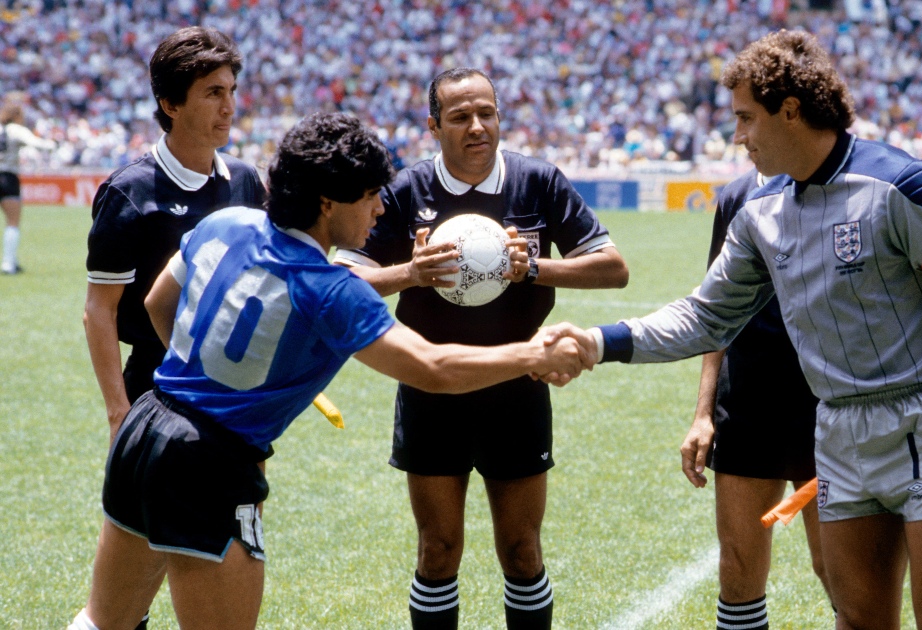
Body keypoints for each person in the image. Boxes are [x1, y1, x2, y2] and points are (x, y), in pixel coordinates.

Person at [556, 30, 922, 629]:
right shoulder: (761, 212)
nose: (738, 137)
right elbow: (706, 315)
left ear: (791, 111)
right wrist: (598, 342)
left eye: (745, 118)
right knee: (859, 621)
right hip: (837, 430)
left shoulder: (905, 186)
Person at [66, 111, 594, 630]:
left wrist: (202, 379)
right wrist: (533, 355)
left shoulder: (227, 223)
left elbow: (159, 302)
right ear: (327, 203)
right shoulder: (329, 289)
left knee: (101, 621)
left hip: (146, 426)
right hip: (209, 463)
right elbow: (433, 368)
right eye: (370, 196)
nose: (380, 209)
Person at [333, 67, 628, 629]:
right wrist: (410, 273)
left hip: (518, 382)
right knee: (437, 550)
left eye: (486, 113)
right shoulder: (406, 190)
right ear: (433, 126)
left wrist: (533, 267)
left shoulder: (537, 181)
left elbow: (613, 268)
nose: (476, 126)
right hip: (430, 386)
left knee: (522, 551)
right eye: (460, 116)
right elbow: (342, 280)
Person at [84, 26, 264, 447]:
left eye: (232, 91)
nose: (229, 107)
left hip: (234, 384)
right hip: (154, 385)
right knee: (149, 495)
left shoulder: (246, 181)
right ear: (170, 104)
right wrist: (118, 411)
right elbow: (99, 309)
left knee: (242, 493)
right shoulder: (129, 192)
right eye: (213, 93)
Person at [679, 168, 831, 630]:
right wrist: (703, 413)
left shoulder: (848, 184)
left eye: (748, 128)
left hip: (831, 404)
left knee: (839, 570)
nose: (742, 136)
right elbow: (716, 310)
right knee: (739, 570)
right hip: (748, 398)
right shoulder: (736, 196)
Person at [0, 92, 56, 275]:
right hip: (7, 177)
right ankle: (8, 263)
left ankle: (11, 262)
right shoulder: (16, 129)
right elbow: (37, 143)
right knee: (12, 222)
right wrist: (52, 144)